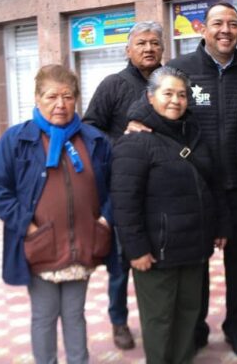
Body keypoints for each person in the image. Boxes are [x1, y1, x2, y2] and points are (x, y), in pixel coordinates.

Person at [0, 64, 113, 363]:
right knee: (44, 317)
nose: (60, 104)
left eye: (68, 96)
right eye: (51, 96)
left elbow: (116, 186)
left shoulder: (94, 140)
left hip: (82, 243)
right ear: (36, 98)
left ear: (77, 99)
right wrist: (26, 226)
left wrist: (105, 220)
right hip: (39, 246)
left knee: (75, 315)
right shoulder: (17, 140)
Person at [166, 2, 237, 358]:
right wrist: (135, 119)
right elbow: (151, 103)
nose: (226, 30)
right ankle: (197, 329)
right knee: (198, 268)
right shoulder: (179, 69)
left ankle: (235, 329)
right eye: (218, 23)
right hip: (196, 189)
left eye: (234, 24)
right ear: (203, 29)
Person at [111, 66, 228, 364]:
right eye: (167, 93)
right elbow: (125, 203)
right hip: (156, 252)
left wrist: (219, 226)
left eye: (181, 94)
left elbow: (213, 184)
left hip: (194, 246)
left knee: (188, 314)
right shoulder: (135, 141)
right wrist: (136, 249)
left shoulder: (194, 132)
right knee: (160, 320)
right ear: (150, 98)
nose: (175, 100)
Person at [83, 21, 164, 350]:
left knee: (158, 260)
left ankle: (157, 320)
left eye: (155, 43)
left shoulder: (168, 82)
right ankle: (118, 319)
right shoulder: (113, 84)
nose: (149, 48)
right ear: (128, 50)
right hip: (123, 188)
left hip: (162, 189)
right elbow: (88, 128)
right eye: (141, 43)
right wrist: (121, 138)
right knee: (120, 263)